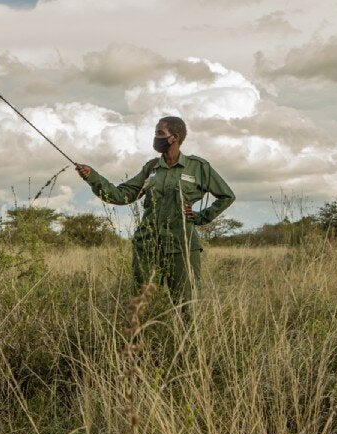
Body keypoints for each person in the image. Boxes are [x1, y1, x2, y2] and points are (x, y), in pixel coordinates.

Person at [75, 116, 234, 318]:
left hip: (181, 245)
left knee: (186, 306)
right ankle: (136, 347)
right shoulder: (151, 168)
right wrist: (93, 177)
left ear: (174, 138)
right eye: (155, 133)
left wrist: (201, 216)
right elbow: (121, 195)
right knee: (139, 305)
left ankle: (188, 348)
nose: (155, 137)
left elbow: (227, 196)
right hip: (147, 246)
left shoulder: (198, 167)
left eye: (160, 133)